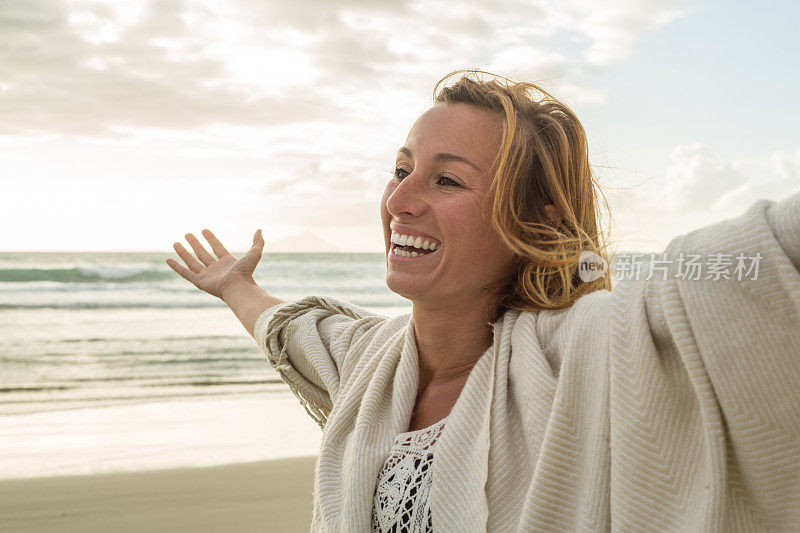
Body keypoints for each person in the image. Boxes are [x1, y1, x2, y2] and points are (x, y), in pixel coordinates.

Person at [166, 69, 800, 532]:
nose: (399, 201)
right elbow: (295, 328)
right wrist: (235, 286)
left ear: (533, 221)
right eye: (400, 169)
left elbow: (765, 263)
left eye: (447, 180)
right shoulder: (368, 363)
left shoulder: (589, 357)